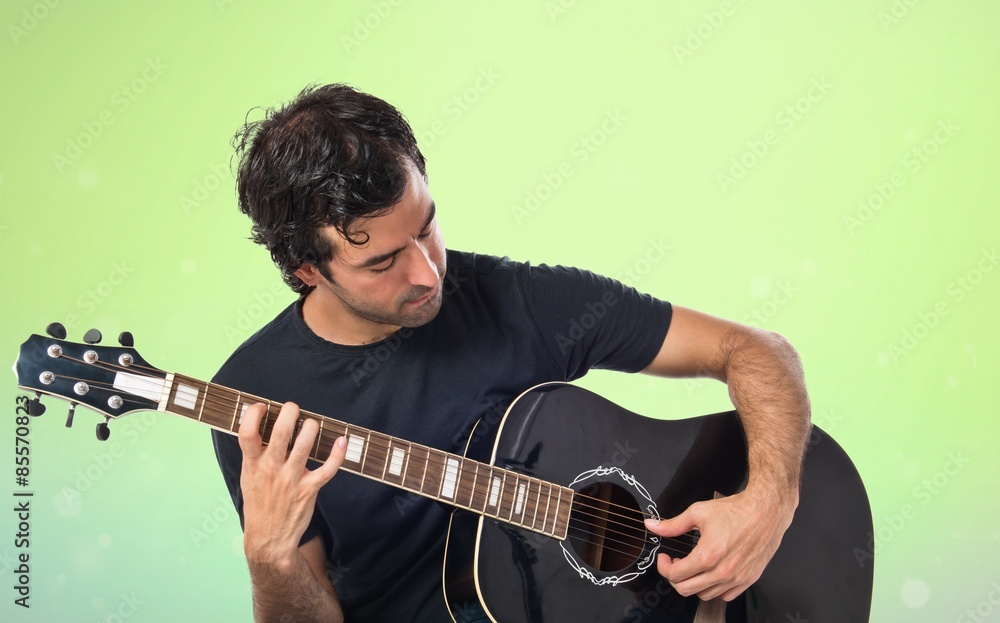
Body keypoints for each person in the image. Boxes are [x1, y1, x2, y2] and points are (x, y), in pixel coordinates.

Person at [211, 84, 811, 623]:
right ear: (309, 271)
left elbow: (755, 351)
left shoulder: (519, 300)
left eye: (425, 227)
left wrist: (767, 502)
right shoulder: (255, 398)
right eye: (382, 262)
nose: (427, 272)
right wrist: (271, 559)